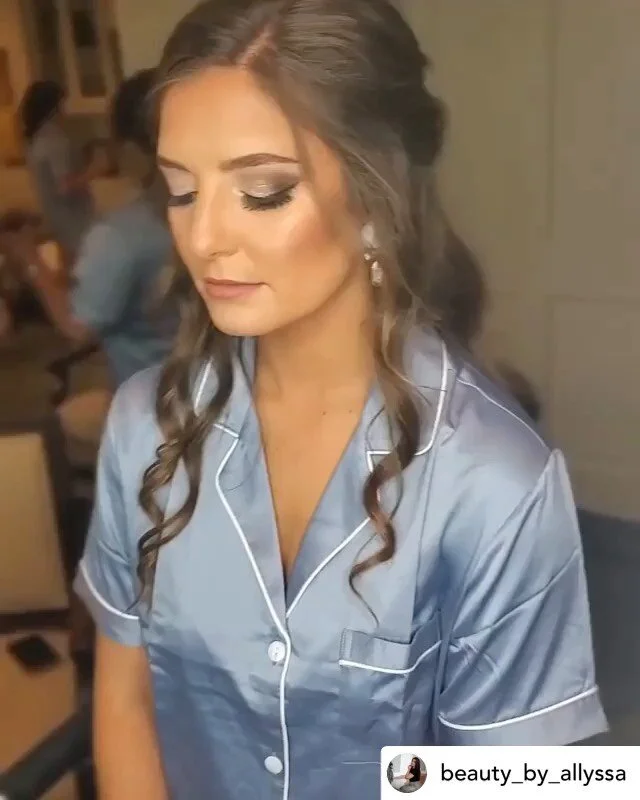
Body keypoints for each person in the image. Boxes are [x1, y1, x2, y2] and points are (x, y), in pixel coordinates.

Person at [74, 2, 607, 798]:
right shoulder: (146, 427)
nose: (205, 237)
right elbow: (127, 696)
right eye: (181, 190)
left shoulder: (493, 486)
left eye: (262, 193)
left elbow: (522, 784)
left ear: (374, 198)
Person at [7, 70, 176, 388]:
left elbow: (76, 326)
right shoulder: (216, 213)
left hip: (155, 399)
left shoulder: (120, 237)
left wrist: (30, 259)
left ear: (130, 148)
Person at [19, 81, 95, 262]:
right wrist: (96, 170)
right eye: (62, 104)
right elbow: (65, 186)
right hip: (74, 222)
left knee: (69, 266)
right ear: (52, 108)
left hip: (56, 218)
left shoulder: (36, 139)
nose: (64, 111)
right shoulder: (54, 139)